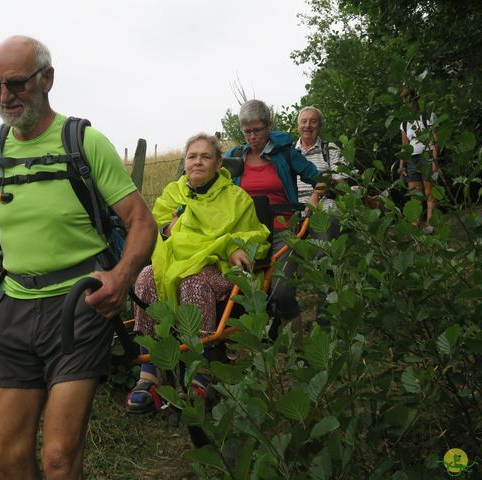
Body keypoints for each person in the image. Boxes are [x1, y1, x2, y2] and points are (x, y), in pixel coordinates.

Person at [0, 35, 157, 480]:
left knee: (58, 457)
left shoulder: (85, 142)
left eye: (15, 83)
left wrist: (120, 276)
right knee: (4, 455)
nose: (4, 97)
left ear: (47, 79)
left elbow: (141, 222)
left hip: (78, 308)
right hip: (11, 311)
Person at [125, 133, 270, 414]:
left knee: (195, 282)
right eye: (192, 156)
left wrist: (231, 246)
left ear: (218, 164)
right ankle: (151, 370)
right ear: (185, 162)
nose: (197, 162)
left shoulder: (236, 198)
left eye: (205, 156)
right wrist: (169, 229)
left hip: (215, 268)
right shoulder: (173, 193)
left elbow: (255, 236)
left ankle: (199, 371)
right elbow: (158, 226)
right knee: (145, 277)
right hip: (173, 264)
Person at [227, 99, 324, 344]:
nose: (251, 136)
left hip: (283, 227)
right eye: (246, 131)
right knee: (244, 290)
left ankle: (299, 350)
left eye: (257, 130)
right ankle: (250, 344)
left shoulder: (285, 154)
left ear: (268, 126)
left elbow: (320, 179)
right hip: (247, 232)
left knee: (282, 290)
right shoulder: (235, 156)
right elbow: (210, 184)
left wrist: (314, 198)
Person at [295, 106, 346, 241]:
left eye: (313, 121)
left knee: (324, 256)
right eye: (304, 121)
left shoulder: (330, 149)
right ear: (297, 126)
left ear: (320, 126)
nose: (307, 126)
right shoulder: (290, 152)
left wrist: (324, 185)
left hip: (326, 211)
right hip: (294, 214)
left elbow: (343, 188)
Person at [399, 87, 440, 227]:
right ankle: (416, 230)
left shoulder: (428, 115)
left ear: (415, 99)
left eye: (409, 100)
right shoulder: (404, 124)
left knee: (430, 193)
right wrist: (401, 165)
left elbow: (435, 140)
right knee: (415, 197)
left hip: (426, 156)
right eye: (405, 101)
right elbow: (404, 146)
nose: (407, 103)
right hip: (411, 160)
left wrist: (435, 161)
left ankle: (431, 227)